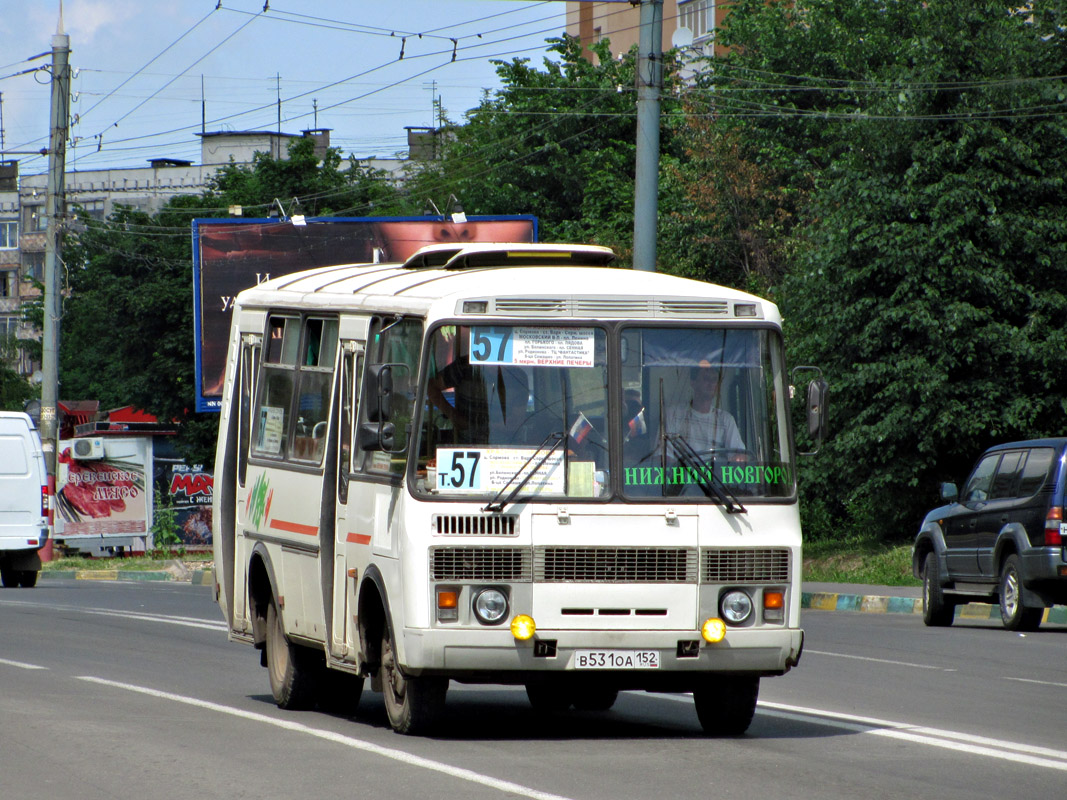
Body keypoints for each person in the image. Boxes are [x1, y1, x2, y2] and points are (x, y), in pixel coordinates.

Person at [664, 362, 745, 453]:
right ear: (693, 382)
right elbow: (665, 459)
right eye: (706, 379)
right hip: (682, 467)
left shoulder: (726, 420)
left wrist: (739, 457)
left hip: (714, 467)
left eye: (714, 380)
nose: (711, 384)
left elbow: (739, 457)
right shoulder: (673, 415)